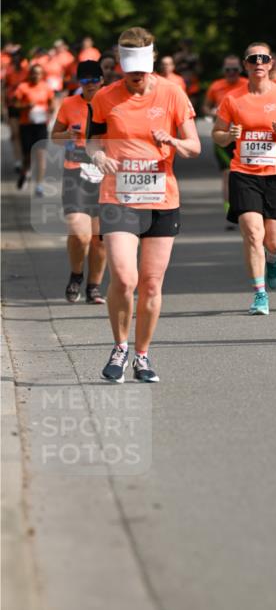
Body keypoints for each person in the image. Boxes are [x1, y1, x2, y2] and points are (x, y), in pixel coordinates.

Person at [88, 26, 200, 383]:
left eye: (142, 71)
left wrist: (173, 141)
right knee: (124, 276)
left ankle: (142, 355)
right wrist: (98, 158)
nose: (136, 78)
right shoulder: (105, 98)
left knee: (151, 284)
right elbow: (91, 142)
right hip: (117, 196)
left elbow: (194, 146)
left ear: (152, 61)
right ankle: (120, 347)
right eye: (130, 71)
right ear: (120, 65)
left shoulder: (173, 94)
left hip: (161, 198)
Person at [212, 41, 276, 315]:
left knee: (274, 242)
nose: (258, 64)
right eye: (252, 59)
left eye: (263, 58)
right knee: (253, 233)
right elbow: (217, 134)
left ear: (270, 63)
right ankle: (259, 294)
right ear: (246, 65)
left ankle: (273, 258)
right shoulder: (233, 98)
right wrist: (228, 136)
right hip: (245, 173)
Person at [51, 60, 107, 304]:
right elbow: (54, 136)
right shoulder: (69, 104)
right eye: (85, 81)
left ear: (102, 80)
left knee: (100, 237)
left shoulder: (112, 103)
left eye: (94, 79)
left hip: (105, 171)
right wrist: (67, 135)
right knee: (79, 233)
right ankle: (76, 275)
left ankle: (93, 287)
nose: (90, 85)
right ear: (79, 83)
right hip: (75, 171)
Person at [204, 55, 249, 224]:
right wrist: (212, 112)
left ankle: (247, 207)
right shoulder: (216, 86)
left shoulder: (247, 84)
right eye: (228, 70)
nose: (231, 73)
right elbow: (205, 106)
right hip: (223, 138)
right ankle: (229, 210)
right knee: (228, 174)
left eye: (235, 70)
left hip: (243, 138)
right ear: (224, 71)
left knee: (245, 174)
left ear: (240, 70)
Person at [14, 62, 54, 194]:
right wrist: (26, 107)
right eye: (33, 73)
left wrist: (50, 110)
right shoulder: (23, 87)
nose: (36, 75)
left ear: (42, 75)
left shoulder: (46, 87)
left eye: (38, 73)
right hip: (26, 125)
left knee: (41, 155)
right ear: (30, 74)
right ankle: (25, 172)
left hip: (41, 125)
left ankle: (39, 185)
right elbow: (15, 105)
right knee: (28, 156)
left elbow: (51, 104)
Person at [2, 46, 29, 172]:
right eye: (14, 57)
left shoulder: (27, 71)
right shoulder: (8, 71)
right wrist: (3, 108)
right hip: (12, 105)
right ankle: (18, 161)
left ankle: (25, 158)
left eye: (18, 57)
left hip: (25, 107)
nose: (16, 59)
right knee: (15, 134)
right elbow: (3, 89)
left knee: (25, 135)